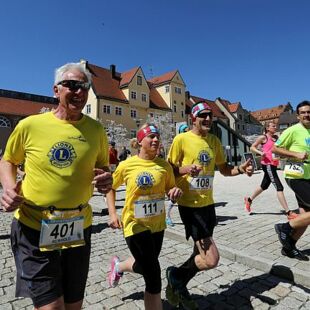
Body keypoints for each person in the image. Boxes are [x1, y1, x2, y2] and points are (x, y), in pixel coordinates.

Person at [0, 62, 112, 310]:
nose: (79, 92)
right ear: (55, 90)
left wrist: (106, 178)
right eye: (72, 85)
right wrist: (8, 188)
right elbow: (8, 160)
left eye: (84, 86)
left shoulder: (96, 130)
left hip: (78, 228)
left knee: (74, 306)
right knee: (51, 307)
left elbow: (103, 167)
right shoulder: (30, 125)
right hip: (33, 226)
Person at [166, 101, 253, 309]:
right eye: (202, 115)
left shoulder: (214, 140)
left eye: (210, 116)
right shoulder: (182, 139)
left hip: (208, 205)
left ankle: (178, 284)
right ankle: (176, 275)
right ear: (193, 119)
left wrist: (241, 169)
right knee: (211, 258)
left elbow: (224, 169)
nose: (207, 119)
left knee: (200, 253)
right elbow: (168, 169)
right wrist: (186, 169)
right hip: (189, 205)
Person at [106, 123, 182, 310]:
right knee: (154, 275)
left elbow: (169, 188)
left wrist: (174, 191)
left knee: (146, 265)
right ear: (140, 142)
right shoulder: (127, 165)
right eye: (151, 137)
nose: (156, 139)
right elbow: (110, 187)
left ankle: (119, 267)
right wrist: (113, 213)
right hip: (134, 224)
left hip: (157, 225)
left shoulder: (164, 166)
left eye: (157, 137)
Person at [272, 100, 310, 261]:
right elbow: (274, 148)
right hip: (295, 176)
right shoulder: (293, 130)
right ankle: (284, 227)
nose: (307, 115)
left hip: (308, 177)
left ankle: (289, 247)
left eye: (309, 112)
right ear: (298, 116)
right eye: (303, 113)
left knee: (305, 217)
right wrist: (295, 154)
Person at [244, 121, 297, 219]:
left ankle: (249, 200)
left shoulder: (276, 138)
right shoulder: (263, 138)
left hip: (274, 164)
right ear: (267, 128)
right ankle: (288, 212)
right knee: (279, 187)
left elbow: (279, 149)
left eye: (276, 125)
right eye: (273, 126)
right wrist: (260, 153)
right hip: (267, 165)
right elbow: (252, 147)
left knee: (264, 186)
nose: (275, 127)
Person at [166, 123, 190, 227]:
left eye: (187, 130)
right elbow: (170, 163)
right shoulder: (178, 141)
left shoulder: (189, 142)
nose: (187, 132)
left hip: (189, 178)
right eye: (184, 131)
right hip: (179, 177)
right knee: (174, 199)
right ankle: (167, 217)